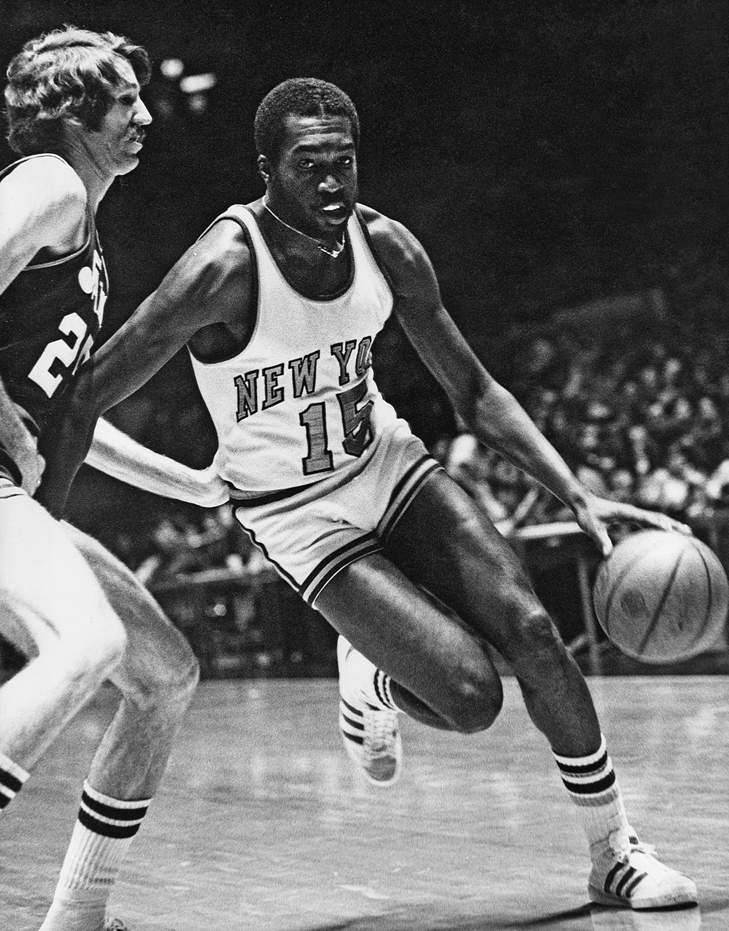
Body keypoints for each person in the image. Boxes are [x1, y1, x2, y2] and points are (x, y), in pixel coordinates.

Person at [39, 78, 698, 912]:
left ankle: (613, 851)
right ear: (266, 170)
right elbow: (87, 391)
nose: (331, 184)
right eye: (308, 166)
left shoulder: (386, 246)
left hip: (387, 463)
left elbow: (473, 388)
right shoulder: (221, 268)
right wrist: (40, 524)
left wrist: (573, 493)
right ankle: (372, 678)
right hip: (297, 513)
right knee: (469, 700)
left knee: (532, 628)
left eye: (343, 163)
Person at [0, 27, 226, 931]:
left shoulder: (86, 239)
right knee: (87, 639)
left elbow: (65, 427)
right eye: (123, 98)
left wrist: (197, 485)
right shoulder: (47, 185)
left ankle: (78, 917)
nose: (143, 114)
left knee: (162, 671)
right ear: (69, 113)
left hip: (22, 500)